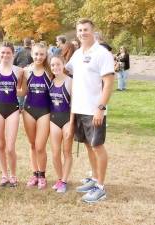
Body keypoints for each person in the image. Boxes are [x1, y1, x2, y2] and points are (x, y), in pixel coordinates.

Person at [65, 18, 115, 203]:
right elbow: (66, 70)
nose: (82, 33)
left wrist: (100, 108)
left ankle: (100, 187)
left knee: (97, 146)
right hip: (79, 109)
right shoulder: (78, 53)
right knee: (87, 145)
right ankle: (94, 179)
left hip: (94, 110)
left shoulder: (102, 53)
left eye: (86, 29)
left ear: (92, 31)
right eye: (79, 30)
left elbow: (109, 82)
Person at [0, 42, 24, 187]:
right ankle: (4, 175)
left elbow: (21, 90)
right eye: (2, 52)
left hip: (13, 109)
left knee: (10, 146)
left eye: (8, 52)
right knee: (1, 144)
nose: (5, 55)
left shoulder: (19, 71)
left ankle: (13, 175)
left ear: (12, 54)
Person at [18, 44, 52, 190]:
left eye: (42, 54)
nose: (39, 57)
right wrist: (6, 90)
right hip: (29, 111)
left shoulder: (50, 71)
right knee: (32, 145)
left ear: (46, 55)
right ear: (32, 54)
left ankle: (42, 175)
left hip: (45, 111)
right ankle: (35, 174)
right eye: (36, 54)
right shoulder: (26, 71)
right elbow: (23, 92)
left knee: (40, 146)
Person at [49, 56, 73, 193]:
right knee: (55, 152)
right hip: (54, 120)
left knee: (67, 152)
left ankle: (64, 180)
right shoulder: (51, 82)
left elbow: (74, 105)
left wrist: (71, 123)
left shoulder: (70, 82)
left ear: (63, 64)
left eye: (58, 64)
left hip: (67, 120)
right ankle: (59, 178)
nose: (55, 67)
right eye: (52, 65)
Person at [14, 37, 33, 111]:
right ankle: (26, 106)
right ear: (30, 44)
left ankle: (19, 107)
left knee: (21, 90)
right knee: (29, 90)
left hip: (20, 73)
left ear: (24, 43)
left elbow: (14, 63)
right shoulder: (32, 53)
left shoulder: (19, 52)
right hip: (30, 74)